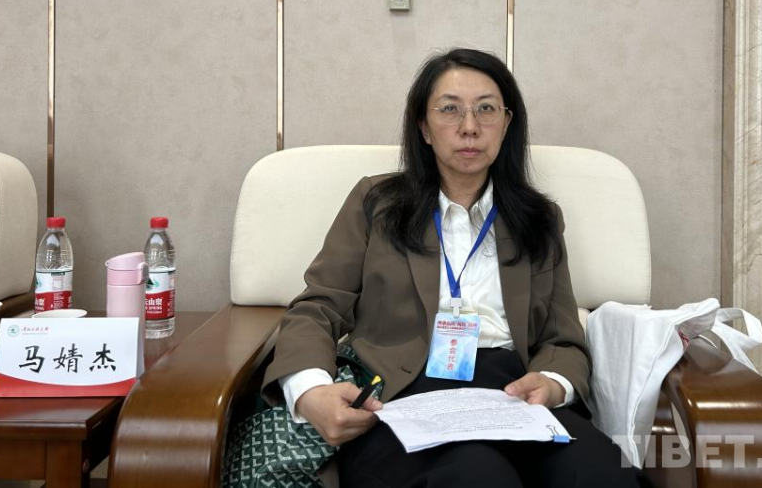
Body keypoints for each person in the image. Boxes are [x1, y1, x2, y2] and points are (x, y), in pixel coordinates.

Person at [263, 48, 638, 487]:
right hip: (402, 391)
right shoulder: (377, 203)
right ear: (424, 127)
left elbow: (562, 337)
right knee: (477, 477)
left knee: (601, 472)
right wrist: (310, 391)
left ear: (507, 123)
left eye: (486, 109)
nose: (470, 127)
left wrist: (554, 383)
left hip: (512, 395)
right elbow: (317, 308)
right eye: (449, 109)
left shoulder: (539, 219)